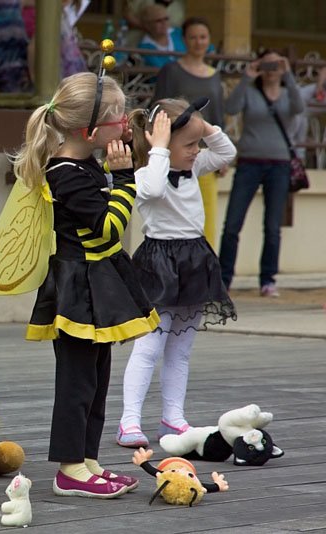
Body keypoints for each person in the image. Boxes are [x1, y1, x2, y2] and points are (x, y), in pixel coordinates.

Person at [11, 71, 158, 498]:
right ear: (90, 130)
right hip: (77, 288)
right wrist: (126, 178)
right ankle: (69, 468)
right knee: (76, 382)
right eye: (118, 116)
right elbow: (110, 229)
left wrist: (116, 172)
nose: (125, 124)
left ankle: (88, 459)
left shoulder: (86, 165)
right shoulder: (67, 173)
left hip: (97, 284)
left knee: (96, 379)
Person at [116, 98, 237, 449]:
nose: (198, 151)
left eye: (198, 143)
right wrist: (158, 149)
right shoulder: (145, 174)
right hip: (160, 264)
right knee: (149, 347)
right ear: (162, 143)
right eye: (190, 144)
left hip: (193, 261)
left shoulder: (191, 168)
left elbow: (226, 152)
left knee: (180, 350)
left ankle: (173, 417)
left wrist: (204, 127)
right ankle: (129, 421)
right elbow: (152, 189)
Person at [219, 50, 304, 297]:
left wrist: (289, 76)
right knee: (233, 224)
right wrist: (247, 77)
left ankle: (268, 280)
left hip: (279, 164)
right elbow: (231, 107)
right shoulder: (251, 91)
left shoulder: (289, 93)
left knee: (272, 226)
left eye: (277, 63)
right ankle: (224, 279)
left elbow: (299, 108)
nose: (271, 68)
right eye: (267, 63)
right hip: (249, 163)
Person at [153, 17, 222, 247]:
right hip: (174, 154)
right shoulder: (171, 70)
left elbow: (218, 116)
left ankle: (207, 272)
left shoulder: (215, 74)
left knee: (208, 216)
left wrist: (221, 155)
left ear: (209, 40)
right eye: (192, 37)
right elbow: (158, 109)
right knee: (175, 216)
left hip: (203, 155)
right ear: (183, 40)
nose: (198, 42)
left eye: (203, 37)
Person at [136, 3, 185, 69]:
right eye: (158, 21)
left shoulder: (179, 33)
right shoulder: (145, 47)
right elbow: (162, 69)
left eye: (166, 19)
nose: (164, 23)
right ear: (147, 25)